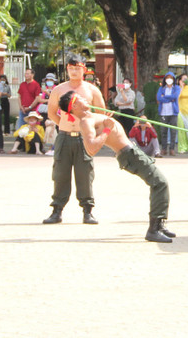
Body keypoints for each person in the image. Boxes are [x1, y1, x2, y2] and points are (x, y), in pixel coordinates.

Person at [60, 90, 175, 243]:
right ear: (74, 105)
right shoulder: (86, 122)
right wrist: (107, 129)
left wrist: (107, 124)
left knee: (158, 183)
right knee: (160, 183)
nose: (84, 98)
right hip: (129, 154)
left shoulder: (91, 116)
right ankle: (154, 229)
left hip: (131, 151)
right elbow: (91, 149)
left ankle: (159, 225)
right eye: (79, 98)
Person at [41, 55, 106, 225]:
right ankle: (57, 210)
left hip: (84, 137)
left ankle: (87, 211)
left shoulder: (92, 90)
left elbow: (101, 114)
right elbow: (51, 113)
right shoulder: (59, 89)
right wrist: (63, 124)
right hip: (64, 136)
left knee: (85, 174)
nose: (74, 71)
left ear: (84, 69)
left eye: (77, 68)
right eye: (71, 68)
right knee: (60, 174)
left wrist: (90, 130)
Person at [155, 71, 181, 157]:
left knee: (173, 131)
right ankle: (164, 148)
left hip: (173, 112)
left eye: (171, 78)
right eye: (167, 78)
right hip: (163, 112)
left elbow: (175, 96)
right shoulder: (161, 88)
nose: (169, 79)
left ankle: (172, 149)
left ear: (173, 79)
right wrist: (169, 99)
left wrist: (165, 97)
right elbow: (159, 98)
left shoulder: (176, 88)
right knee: (163, 131)